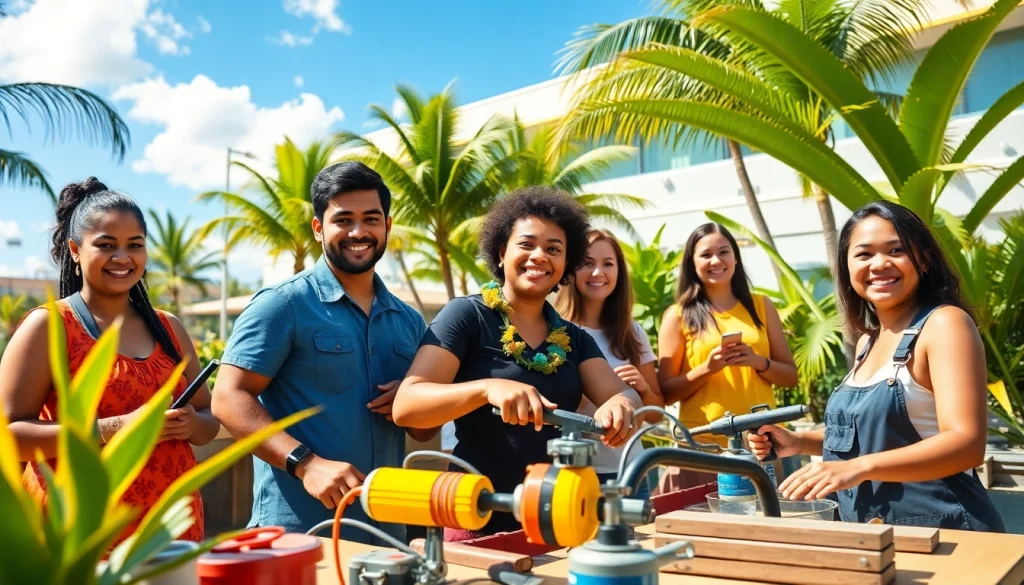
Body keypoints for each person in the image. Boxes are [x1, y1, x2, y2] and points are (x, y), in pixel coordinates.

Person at [392, 186, 640, 541]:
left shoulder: (575, 339)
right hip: (473, 513)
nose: (540, 256)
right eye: (526, 244)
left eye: (554, 249)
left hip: (555, 516)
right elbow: (407, 406)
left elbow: (623, 393)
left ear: (566, 265)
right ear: (501, 251)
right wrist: (487, 388)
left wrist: (620, 404)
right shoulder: (465, 316)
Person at [211, 162, 437, 543]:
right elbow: (228, 398)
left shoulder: (410, 321)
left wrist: (413, 400)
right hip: (297, 533)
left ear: (388, 226)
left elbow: (424, 431)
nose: (358, 232)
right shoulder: (283, 305)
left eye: (371, 219)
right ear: (318, 228)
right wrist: (306, 464)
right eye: (343, 219)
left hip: (387, 533)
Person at [750, 201, 1005, 532]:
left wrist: (858, 467)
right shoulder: (866, 343)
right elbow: (874, 432)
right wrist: (799, 442)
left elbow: (966, 444)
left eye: (896, 250)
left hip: (945, 533)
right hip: (873, 534)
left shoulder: (945, 324)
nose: (880, 264)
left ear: (924, 259)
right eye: (864, 254)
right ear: (846, 266)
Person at [1, 178, 219, 545]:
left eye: (135, 246)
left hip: (172, 529)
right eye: (106, 245)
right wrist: (119, 426)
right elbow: (9, 435)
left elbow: (210, 421)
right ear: (74, 250)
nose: (123, 258)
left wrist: (188, 424)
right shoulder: (50, 326)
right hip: (83, 533)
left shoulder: (170, 328)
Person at [656, 222, 798, 492]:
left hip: (760, 443)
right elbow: (665, 392)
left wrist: (759, 362)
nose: (716, 260)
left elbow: (791, 377)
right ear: (692, 262)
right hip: (702, 448)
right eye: (706, 254)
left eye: (723, 252)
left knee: (763, 526)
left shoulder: (761, 306)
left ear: (735, 257)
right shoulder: (678, 315)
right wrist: (707, 368)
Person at [554, 228, 663, 498]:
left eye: (608, 264)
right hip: (573, 474)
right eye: (587, 263)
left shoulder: (632, 331)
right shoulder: (553, 330)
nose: (597, 273)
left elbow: (656, 414)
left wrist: (641, 390)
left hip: (630, 472)